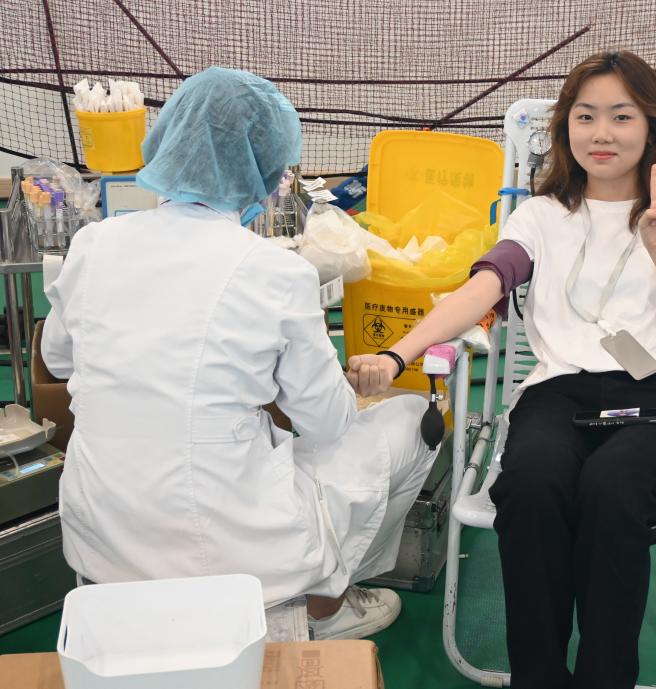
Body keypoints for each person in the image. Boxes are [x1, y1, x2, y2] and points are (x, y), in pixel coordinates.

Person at [348, 50, 656, 688]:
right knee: (530, 487)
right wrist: (398, 355)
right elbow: (482, 288)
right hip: (555, 395)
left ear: (651, 126)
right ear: (565, 127)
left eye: (621, 116)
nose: (602, 133)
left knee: (614, 491)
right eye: (585, 116)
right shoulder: (539, 215)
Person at [41, 67, 438, 640]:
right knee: (412, 421)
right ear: (265, 169)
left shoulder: (94, 243)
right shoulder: (274, 270)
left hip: (102, 546)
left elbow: (59, 360)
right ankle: (325, 608)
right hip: (230, 554)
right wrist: (339, 382)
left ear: (166, 140)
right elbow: (326, 424)